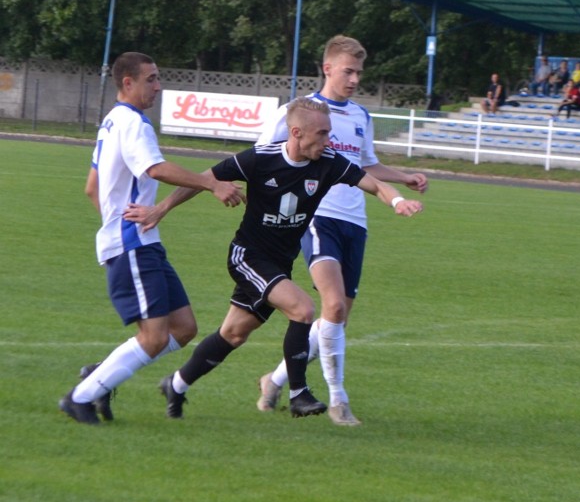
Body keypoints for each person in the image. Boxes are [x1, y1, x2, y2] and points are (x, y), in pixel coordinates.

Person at [124, 96, 424, 422]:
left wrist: (397, 202)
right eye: (322, 134)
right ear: (296, 132)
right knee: (304, 308)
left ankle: (177, 384)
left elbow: (375, 185)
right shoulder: (260, 159)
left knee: (234, 334)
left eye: (329, 133)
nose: (329, 141)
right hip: (248, 257)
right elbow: (204, 180)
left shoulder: (329, 161)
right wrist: (161, 209)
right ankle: (299, 394)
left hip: (279, 263)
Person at [58, 52, 246, 425]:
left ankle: (105, 371)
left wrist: (114, 222)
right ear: (128, 82)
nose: (158, 86)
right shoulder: (133, 124)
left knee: (184, 328)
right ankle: (79, 397)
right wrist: (211, 183)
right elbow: (155, 168)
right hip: (132, 244)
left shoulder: (112, 121)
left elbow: (91, 187)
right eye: (151, 79)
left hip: (143, 241)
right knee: (156, 335)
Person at [254, 35, 429, 425]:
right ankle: (338, 400)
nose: (354, 79)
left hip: (355, 222)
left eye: (359, 73)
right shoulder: (298, 113)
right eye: (348, 71)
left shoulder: (360, 117)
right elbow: (263, 157)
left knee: (337, 319)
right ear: (327, 67)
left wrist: (404, 179)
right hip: (317, 217)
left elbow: (366, 165)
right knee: (331, 306)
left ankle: (274, 379)